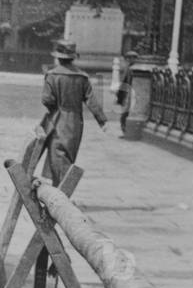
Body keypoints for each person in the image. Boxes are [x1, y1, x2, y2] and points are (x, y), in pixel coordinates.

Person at [41, 40, 108, 184]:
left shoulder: (52, 75)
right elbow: (92, 101)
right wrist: (102, 120)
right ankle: (63, 190)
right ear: (73, 57)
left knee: (55, 155)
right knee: (68, 156)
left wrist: (54, 108)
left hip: (57, 119)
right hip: (75, 122)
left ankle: (58, 191)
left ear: (58, 57)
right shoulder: (82, 77)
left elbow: (47, 99)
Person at [117, 49, 139, 136]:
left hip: (132, 93)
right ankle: (124, 130)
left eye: (133, 58)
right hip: (126, 93)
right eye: (128, 58)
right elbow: (124, 81)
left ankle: (127, 131)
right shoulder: (127, 68)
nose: (130, 59)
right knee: (124, 113)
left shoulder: (133, 69)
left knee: (128, 112)